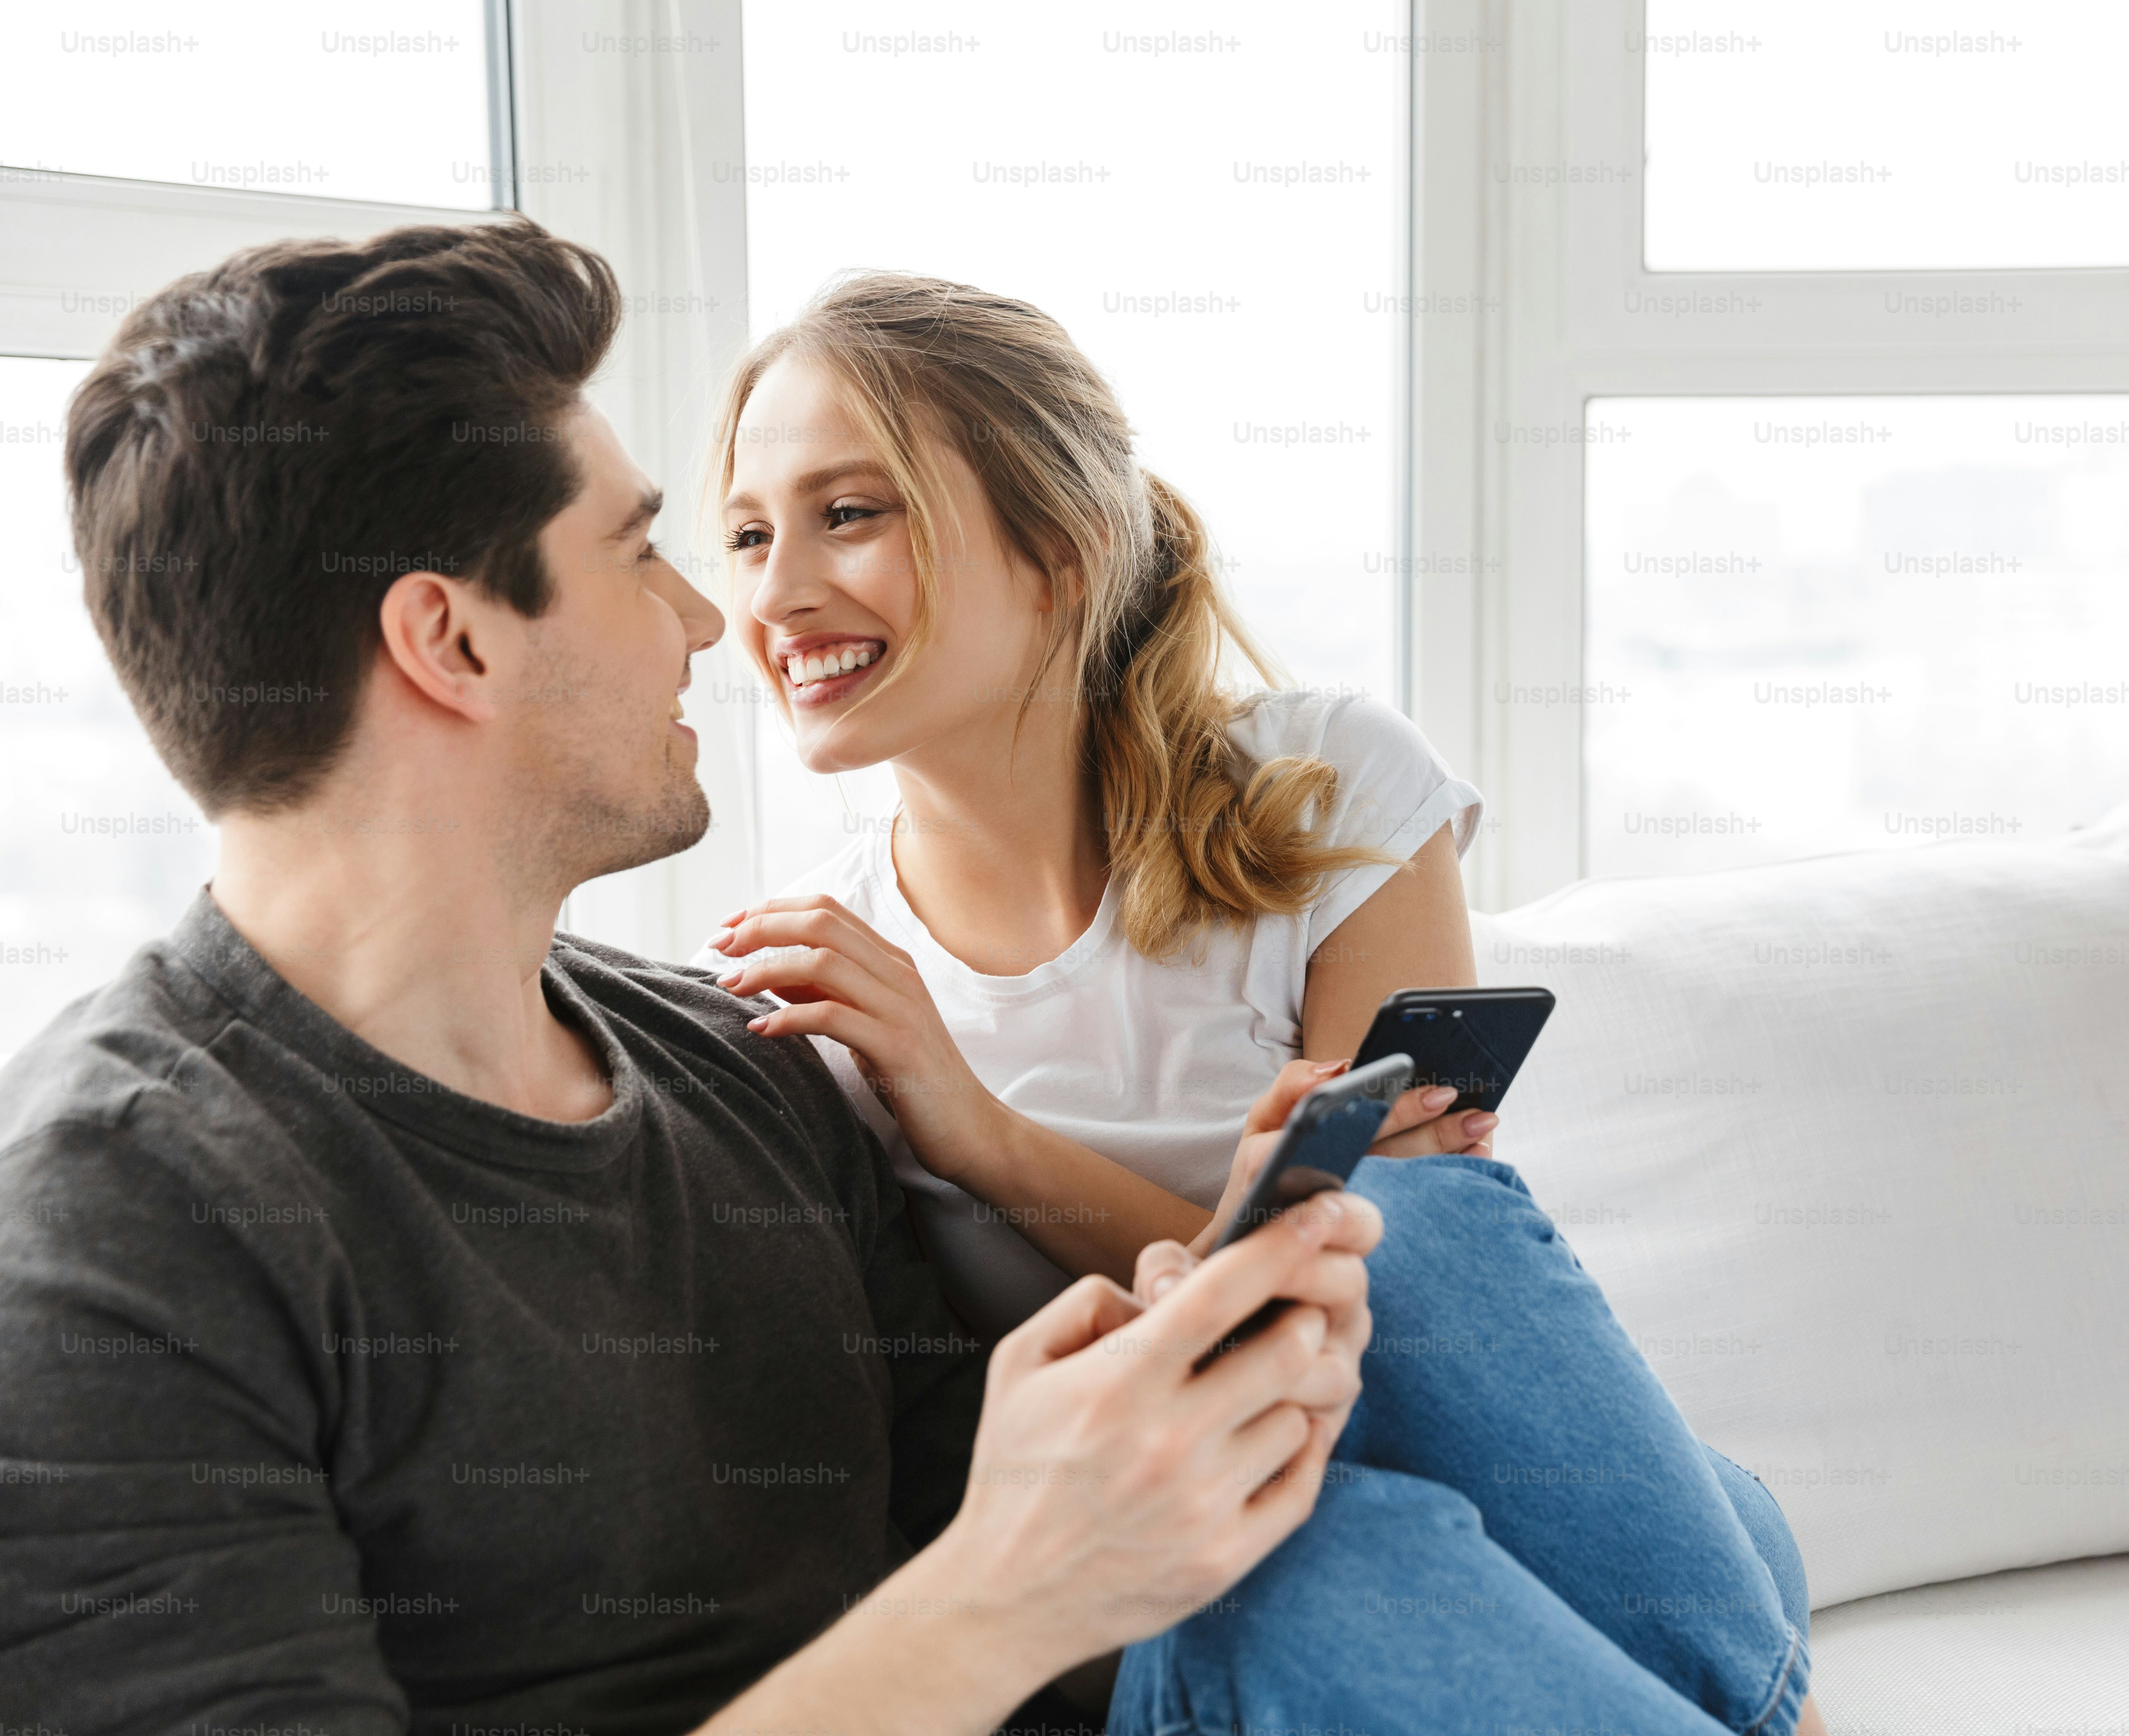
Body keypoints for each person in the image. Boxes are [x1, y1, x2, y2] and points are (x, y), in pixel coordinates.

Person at [0, 218, 1821, 1735]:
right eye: (648, 551)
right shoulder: (117, 1226)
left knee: (1344, 1532)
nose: (715, 618)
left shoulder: (745, 1061)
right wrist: (1009, 1588)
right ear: (452, 641)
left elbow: (1020, 1500)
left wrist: (1190, 1368)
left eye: (829, 520)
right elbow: (1007, 1578)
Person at [691, 274, 1486, 1336]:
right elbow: (1294, 1316)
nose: (775, 594)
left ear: (1063, 552)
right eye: (749, 537)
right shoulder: (806, 998)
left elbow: (1413, 1317)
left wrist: (980, 1135)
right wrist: (1248, 1243)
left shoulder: (1333, 785)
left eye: (847, 514)